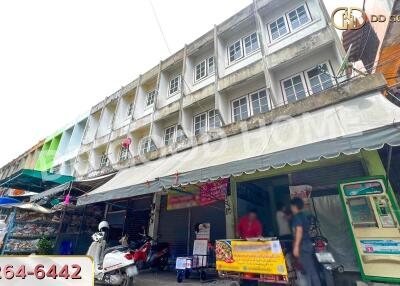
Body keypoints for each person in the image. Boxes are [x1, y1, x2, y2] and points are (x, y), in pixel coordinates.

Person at [290, 198, 321, 286]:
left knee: (308, 271)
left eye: (291, 206)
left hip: (302, 245)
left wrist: (296, 246)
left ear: (294, 206)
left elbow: (299, 231)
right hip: (307, 244)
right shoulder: (303, 216)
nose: (291, 208)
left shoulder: (297, 217)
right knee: (311, 269)